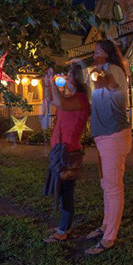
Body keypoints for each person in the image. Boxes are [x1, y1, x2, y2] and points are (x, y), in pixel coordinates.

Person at [85, 39, 132, 255]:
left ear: (107, 53)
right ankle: (105, 225)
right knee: (106, 185)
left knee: (113, 188)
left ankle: (109, 237)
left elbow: (111, 85)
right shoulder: (101, 72)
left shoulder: (113, 70)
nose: (94, 55)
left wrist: (99, 73)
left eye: (98, 51)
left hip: (114, 135)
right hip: (103, 136)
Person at [42, 63, 90, 243]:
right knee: (62, 190)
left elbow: (60, 102)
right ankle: (64, 226)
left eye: (69, 76)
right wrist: (47, 83)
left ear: (77, 78)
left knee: (66, 191)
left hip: (69, 153)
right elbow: (51, 100)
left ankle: (63, 230)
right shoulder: (71, 97)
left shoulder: (80, 99)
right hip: (61, 152)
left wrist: (54, 82)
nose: (66, 79)